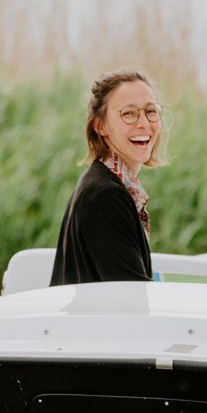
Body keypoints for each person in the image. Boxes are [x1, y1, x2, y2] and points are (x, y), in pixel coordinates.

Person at [49, 68, 166, 286]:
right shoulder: (105, 196)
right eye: (129, 113)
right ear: (100, 125)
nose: (144, 123)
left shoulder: (106, 183)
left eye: (151, 111)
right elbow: (132, 296)